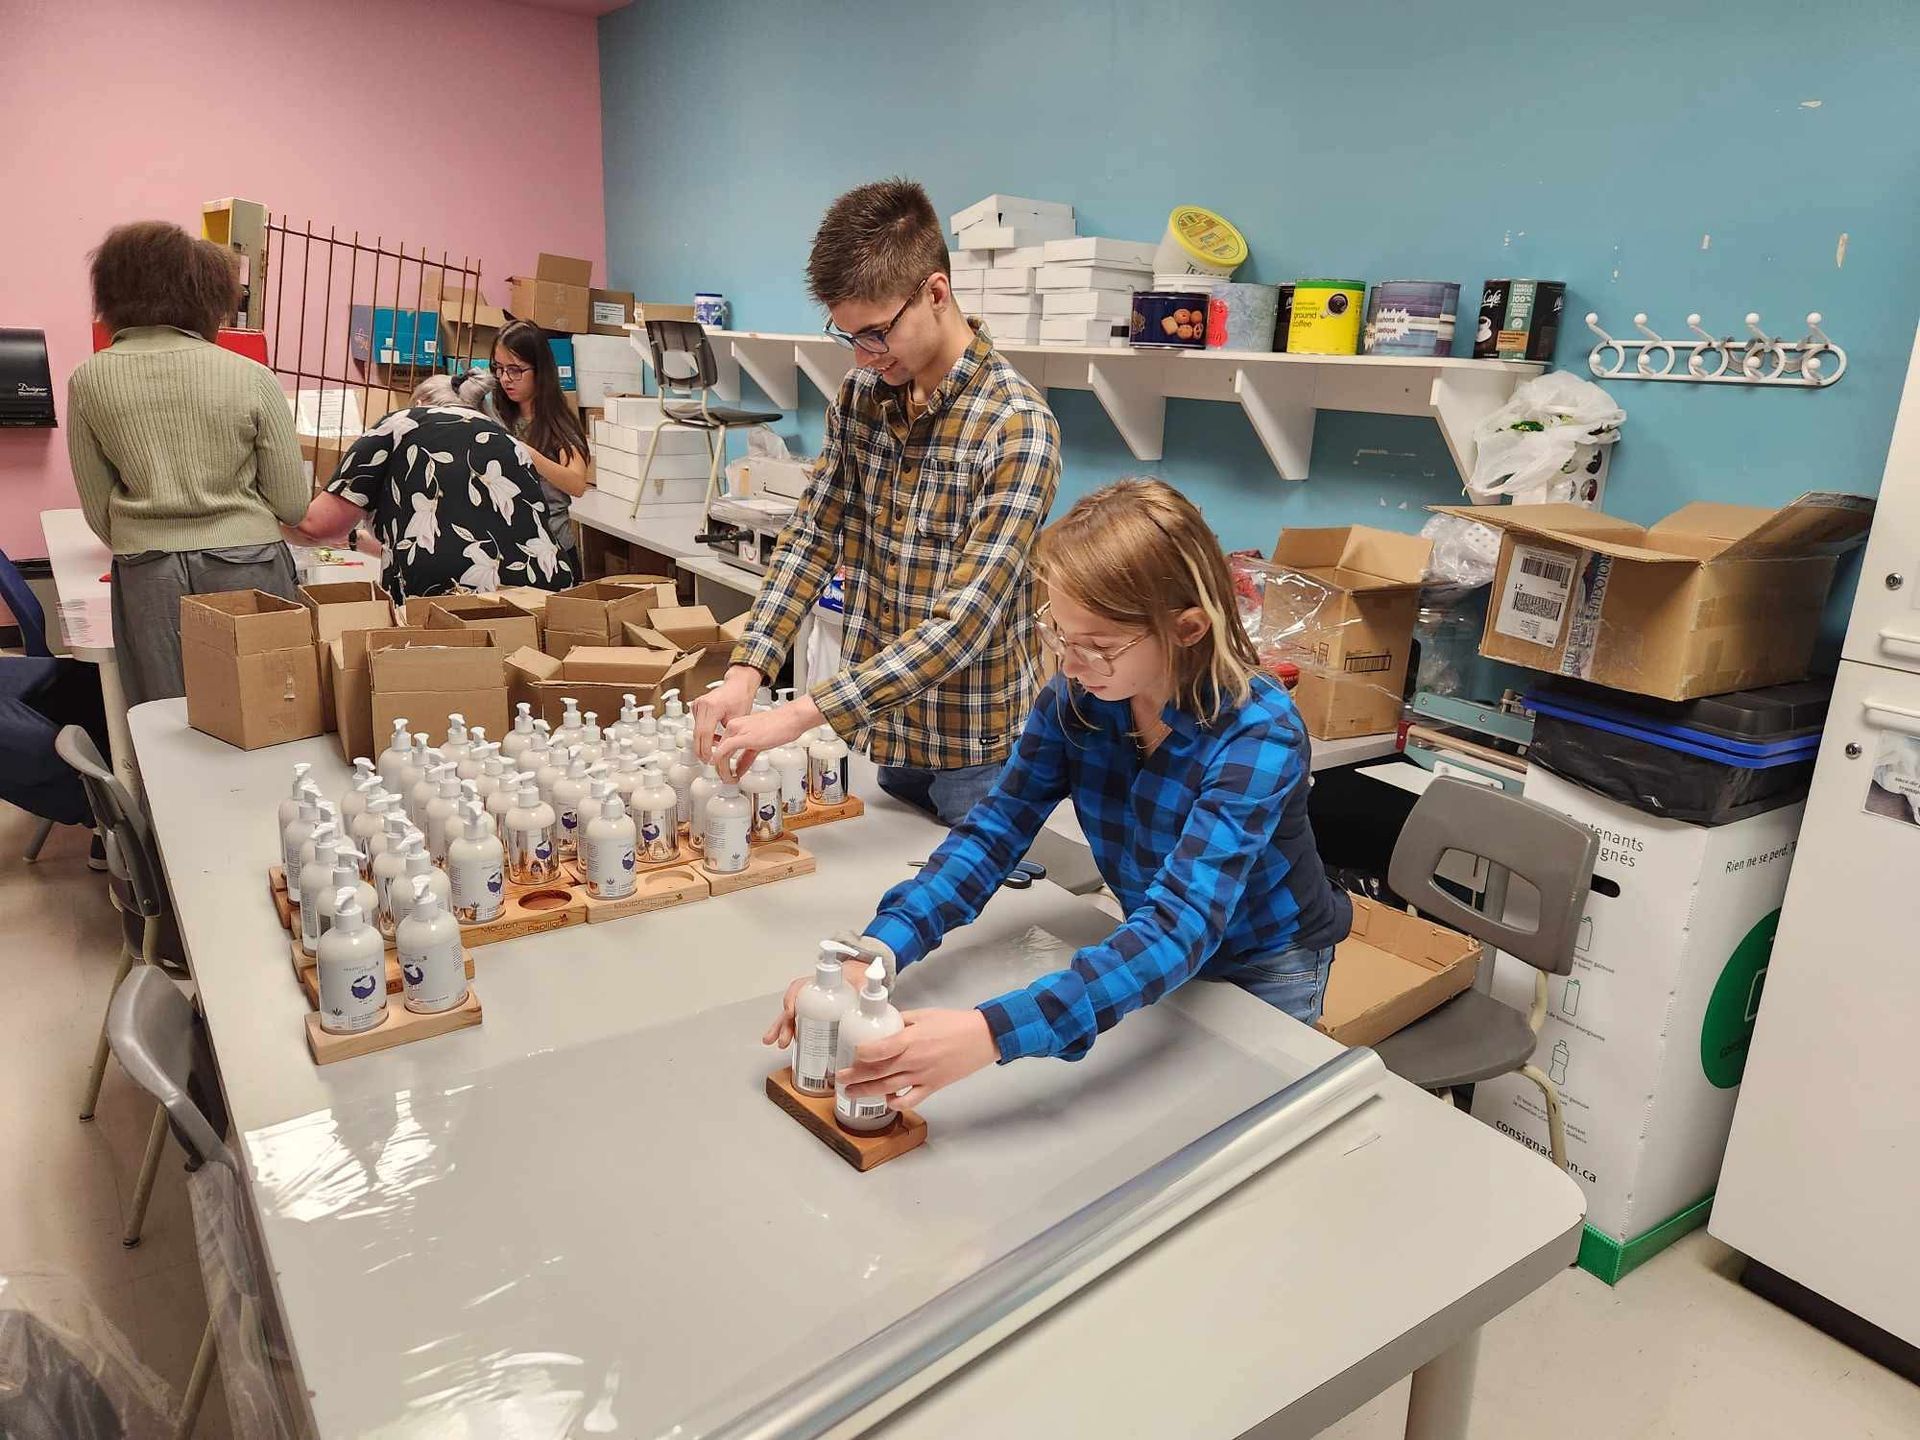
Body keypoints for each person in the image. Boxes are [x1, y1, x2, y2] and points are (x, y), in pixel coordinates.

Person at [765, 480, 1353, 1109]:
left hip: (1263, 962)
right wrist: (876, 951)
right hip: (1152, 941)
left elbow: (1182, 921)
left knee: (1233, 1123)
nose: (1069, 666)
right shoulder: (1081, 699)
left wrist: (989, 1033)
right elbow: (994, 833)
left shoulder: (1258, 733)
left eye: (1096, 647)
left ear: (1186, 628)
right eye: (1060, 635)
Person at [699, 178, 1061, 825]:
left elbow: (961, 625)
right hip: (885, 732)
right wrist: (747, 671)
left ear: (935, 293)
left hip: (974, 749)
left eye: (876, 334)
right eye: (850, 338)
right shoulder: (861, 398)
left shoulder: (1017, 428)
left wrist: (801, 712)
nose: (865, 358)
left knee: (963, 885)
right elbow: (812, 538)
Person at [66, 221, 308, 708]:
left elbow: (98, 510)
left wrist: (147, 532)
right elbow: (292, 503)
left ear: (110, 291)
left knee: (167, 716)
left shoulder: (88, 380)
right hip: (250, 562)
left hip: (147, 570)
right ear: (208, 295)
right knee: (269, 707)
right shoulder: (252, 376)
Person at [285, 372, 575, 600]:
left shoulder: (401, 425)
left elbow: (314, 526)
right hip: (543, 589)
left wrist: (267, 518)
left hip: (442, 598)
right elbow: (450, 536)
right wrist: (355, 540)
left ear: (420, 403)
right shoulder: (507, 440)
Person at [490, 318, 591, 575]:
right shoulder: (494, 414)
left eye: (515, 370)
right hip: (507, 550)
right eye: (499, 368)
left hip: (554, 550)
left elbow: (576, 483)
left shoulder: (556, 423)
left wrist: (529, 454)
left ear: (539, 370)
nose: (505, 379)